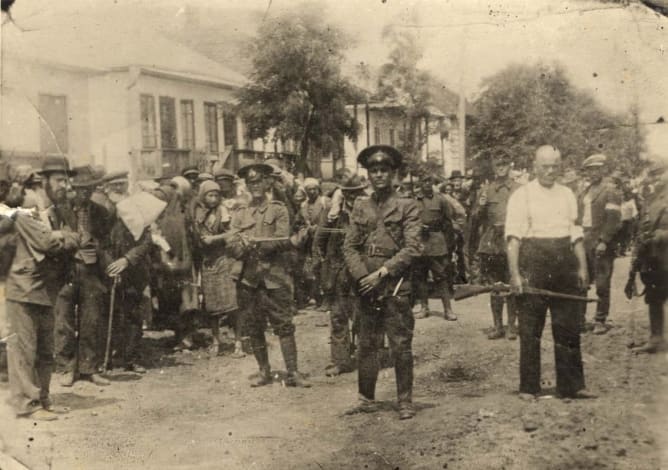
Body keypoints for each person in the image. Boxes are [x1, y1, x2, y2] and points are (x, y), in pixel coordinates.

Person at [506, 145, 593, 399]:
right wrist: (515, 274)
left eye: (555, 165)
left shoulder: (567, 193)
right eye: (545, 166)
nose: (550, 171)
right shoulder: (522, 196)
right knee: (531, 329)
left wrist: (582, 267)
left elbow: (575, 233)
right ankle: (529, 387)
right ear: (534, 167)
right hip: (534, 261)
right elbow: (513, 239)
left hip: (564, 262)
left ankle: (571, 385)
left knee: (567, 326)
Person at [343, 145, 422, 420]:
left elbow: (412, 248)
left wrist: (383, 272)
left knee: (400, 344)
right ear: (368, 174)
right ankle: (366, 398)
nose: (378, 175)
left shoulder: (408, 205)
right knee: (367, 343)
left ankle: (404, 401)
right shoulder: (360, 206)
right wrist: (362, 276)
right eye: (373, 170)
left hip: (394, 284)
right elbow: (349, 246)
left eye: (383, 170)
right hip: (366, 284)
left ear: (393, 173)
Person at [4, 157, 80, 420]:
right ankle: (27, 404)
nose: (64, 185)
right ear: (41, 182)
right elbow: (48, 242)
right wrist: (68, 237)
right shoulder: (22, 207)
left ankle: (43, 398)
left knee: (45, 350)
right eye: (59, 180)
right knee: (24, 350)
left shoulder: (55, 209)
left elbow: (70, 235)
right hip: (24, 287)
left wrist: (67, 236)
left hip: (43, 288)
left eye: (66, 180)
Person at [229, 163, 310, 387]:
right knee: (254, 326)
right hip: (249, 279)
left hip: (275, 277)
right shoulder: (240, 212)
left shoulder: (279, 209)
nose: (255, 186)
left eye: (259, 181)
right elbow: (232, 246)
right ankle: (264, 371)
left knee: (284, 325)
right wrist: (241, 247)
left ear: (267, 183)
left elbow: (281, 239)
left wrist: (254, 244)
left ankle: (293, 373)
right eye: (250, 183)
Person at [55, 165, 114, 387]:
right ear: (72, 188)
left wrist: (97, 247)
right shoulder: (59, 209)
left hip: (91, 270)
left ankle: (89, 368)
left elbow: (107, 242)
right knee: (64, 320)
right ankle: (66, 368)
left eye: (88, 189)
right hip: (65, 270)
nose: (84, 193)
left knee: (92, 319)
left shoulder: (101, 212)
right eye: (80, 189)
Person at [315, 173, 367, 376]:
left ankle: (366, 357)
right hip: (337, 272)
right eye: (349, 194)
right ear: (343, 194)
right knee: (338, 317)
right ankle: (340, 360)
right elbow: (319, 242)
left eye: (357, 193)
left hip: (361, 271)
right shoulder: (332, 213)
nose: (353, 198)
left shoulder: (368, 212)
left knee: (362, 316)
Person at [475, 152, 521, 339]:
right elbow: (477, 218)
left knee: (511, 284)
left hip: (512, 240)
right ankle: (497, 326)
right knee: (495, 286)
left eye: (504, 164)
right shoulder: (486, 190)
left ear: (509, 167)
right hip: (493, 243)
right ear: (493, 168)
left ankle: (511, 326)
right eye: (497, 165)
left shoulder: (519, 190)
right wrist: (481, 206)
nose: (501, 168)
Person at [194, 181, 240, 355]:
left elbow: (232, 233)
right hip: (207, 262)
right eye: (209, 195)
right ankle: (216, 340)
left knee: (231, 303)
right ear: (203, 196)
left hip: (223, 259)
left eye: (216, 195)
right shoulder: (198, 213)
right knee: (212, 305)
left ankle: (238, 341)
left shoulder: (223, 211)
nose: (213, 199)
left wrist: (215, 239)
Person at [577, 154, 622, 335]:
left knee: (602, 283)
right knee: (581, 281)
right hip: (583, 240)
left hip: (600, 241)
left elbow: (614, 220)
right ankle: (579, 319)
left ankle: (600, 320)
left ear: (603, 170)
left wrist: (604, 241)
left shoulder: (610, 191)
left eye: (597, 169)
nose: (593, 173)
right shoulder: (584, 191)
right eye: (590, 170)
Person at [626, 160, 668, 354]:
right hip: (653, 257)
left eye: (660, 174)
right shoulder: (652, 196)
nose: (656, 178)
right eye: (653, 174)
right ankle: (656, 338)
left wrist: (660, 235)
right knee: (654, 297)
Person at [411, 174, 458, 321]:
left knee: (441, 276)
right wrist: (419, 228)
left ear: (432, 182)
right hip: (420, 243)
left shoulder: (441, 199)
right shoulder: (413, 200)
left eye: (428, 181)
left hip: (437, 242)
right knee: (421, 276)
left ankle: (448, 309)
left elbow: (448, 221)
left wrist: (450, 246)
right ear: (420, 182)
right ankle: (424, 307)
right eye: (423, 180)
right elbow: (409, 221)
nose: (426, 183)